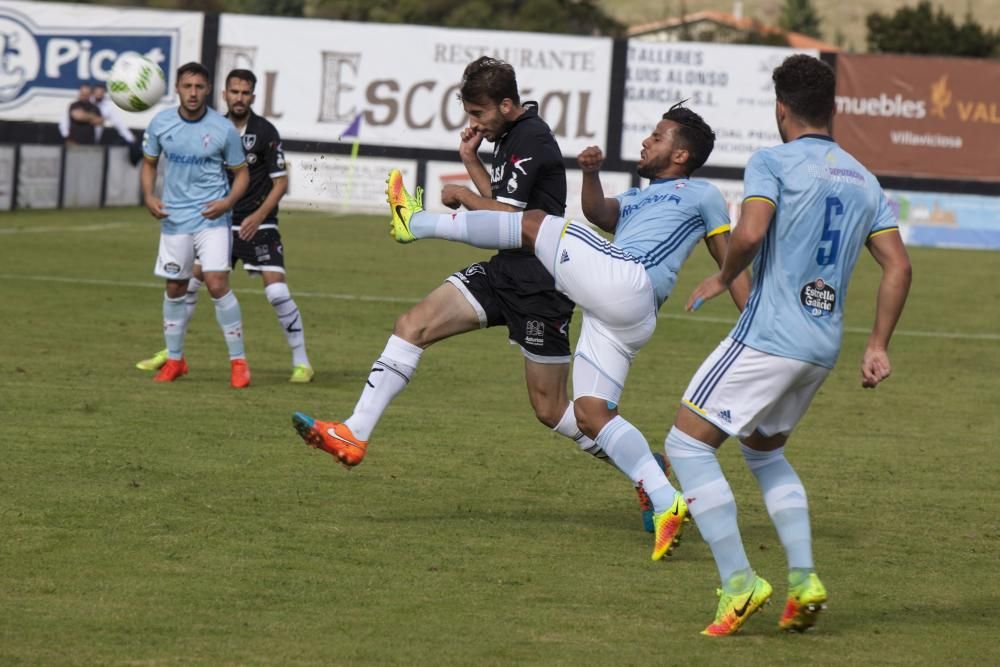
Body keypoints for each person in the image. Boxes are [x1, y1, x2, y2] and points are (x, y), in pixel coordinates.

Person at [291, 56, 666, 530]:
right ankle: (353, 432)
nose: (474, 123)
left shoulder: (532, 139)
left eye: (478, 113)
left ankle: (648, 471)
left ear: (507, 105)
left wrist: (464, 196)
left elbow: (509, 219)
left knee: (551, 409)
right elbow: (505, 204)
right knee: (412, 325)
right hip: (504, 272)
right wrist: (471, 160)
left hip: (541, 286)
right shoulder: (507, 135)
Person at [372, 102, 751, 561]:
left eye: (657, 136)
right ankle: (664, 497)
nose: (646, 141)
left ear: (681, 155)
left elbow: (730, 258)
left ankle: (416, 222)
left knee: (534, 223)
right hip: (617, 314)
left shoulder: (703, 194)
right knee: (591, 415)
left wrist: (751, 319)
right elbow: (599, 213)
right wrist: (591, 174)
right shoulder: (638, 197)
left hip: (630, 281)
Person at [662, 54, 912, 636]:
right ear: (831, 109)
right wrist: (877, 345)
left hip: (769, 335)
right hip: (820, 348)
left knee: (686, 445)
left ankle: (739, 584)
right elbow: (898, 266)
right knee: (764, 454)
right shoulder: (864, 179)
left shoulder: (771, 162)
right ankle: (803, 581)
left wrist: (724, 276)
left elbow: (750, 232)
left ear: (781, 109)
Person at [136, 69, 314, 383]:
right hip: (217, 220)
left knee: (276, 292)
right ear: (224, 94)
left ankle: (302, 362)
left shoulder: (264, 131)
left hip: (258, 224)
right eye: (234, 92)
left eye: (245, 93)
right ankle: (172, 352)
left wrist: (257, 216)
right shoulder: (211, 126)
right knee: (186, 285)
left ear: (252, 97)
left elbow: (280, 182)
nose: (239, 98)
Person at [140, 61, 252, 387]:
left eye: (199, 87)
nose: (193, 93)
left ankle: (239, 363)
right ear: (177, 88)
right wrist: (148, 195)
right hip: (174, 219)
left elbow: (242, 174)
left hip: (212, 218)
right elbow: (149, 164)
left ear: (208, 90)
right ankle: (175, 361)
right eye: (187, 86)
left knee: (216, 283)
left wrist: (227, 203)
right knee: (175, 288)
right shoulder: (161, 124)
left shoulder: (222, 128)